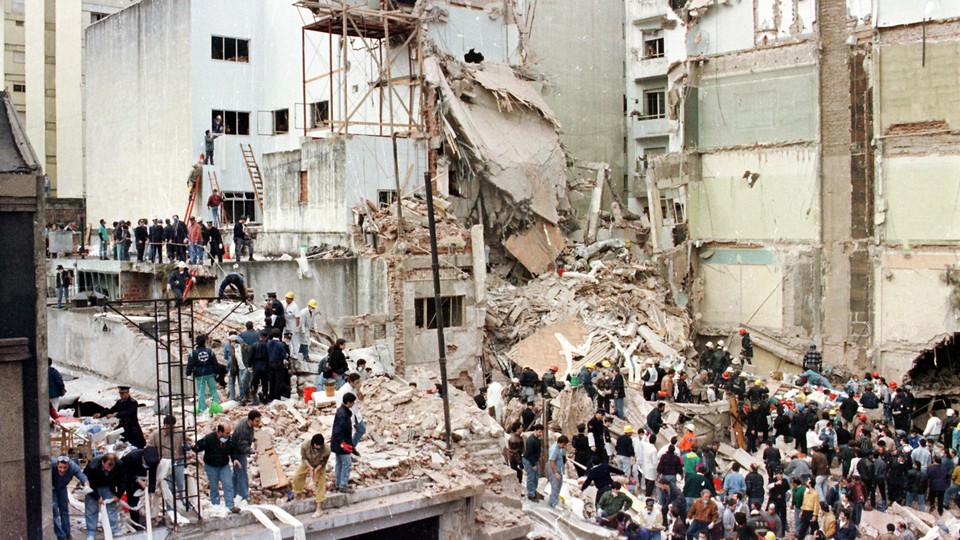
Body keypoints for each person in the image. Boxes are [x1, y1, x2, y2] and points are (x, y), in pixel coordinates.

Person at [193, 423, 241, 512]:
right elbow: (199, 446)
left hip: (223, 465)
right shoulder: (209, 438)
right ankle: (215, 505)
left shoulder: (228, 439)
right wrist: (194, 446)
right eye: (226, 433)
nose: (228, 435)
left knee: (228, 485)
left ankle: (230, 505)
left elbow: (232, 450)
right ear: (219, 432)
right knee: (214, 486)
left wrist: (235, 459)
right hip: (211, 466)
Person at [148, 414, 188, 511]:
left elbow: (186, 443)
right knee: (168, 487)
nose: (167, 429)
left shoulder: (179, 433)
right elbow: (150, 448)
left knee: (181, 484)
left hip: (178, 461)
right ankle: (170, 508)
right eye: (166, 427)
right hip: (164, 464)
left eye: (170, 427)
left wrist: (187, 446)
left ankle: (184, 504)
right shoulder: (156, 434)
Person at [83, 453, 123, 539]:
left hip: (108, 485)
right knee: (91, 509)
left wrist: (118, 495)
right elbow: (87, 483)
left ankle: (114, 530)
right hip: (94, 486)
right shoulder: (92, 467)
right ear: (102, 462)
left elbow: (122, 480)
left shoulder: (119, 465)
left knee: (111, 508)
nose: (108, 470)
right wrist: (96, 497)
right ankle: (91, 532)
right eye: (107, 467)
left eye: (111, 468)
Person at [119, 446, 160, 526]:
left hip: (141, 473)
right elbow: (126, 473)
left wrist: (151, 491)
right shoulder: (132, 457)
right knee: (132, 497)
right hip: (127, 474)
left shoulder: (153, 461)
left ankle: (145, 516)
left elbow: (152, 476)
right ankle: (135, 521)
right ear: (143, 457)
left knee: (142, 495)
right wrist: (137, 479)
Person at [293, 433, 331, 517]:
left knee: (320, 484)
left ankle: (319, 508)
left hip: (320, 465)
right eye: (316, 446)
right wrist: (310, 468)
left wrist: (316, 470)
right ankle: (298, 494)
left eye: (319, 446)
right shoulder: (305, 445)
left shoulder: (327, 449)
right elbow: (304, 458)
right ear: (312, 443)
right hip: (307, 463)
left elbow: (323, 461)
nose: (318, 447)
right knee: (297, 477)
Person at [52, 454, 89, 540]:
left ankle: (67, 533)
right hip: (51, 488)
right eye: (60, 467)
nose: (62, 470)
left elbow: (82, 476)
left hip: (62, 487)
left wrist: (86, 485)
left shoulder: (73, 467)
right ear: (57, 464)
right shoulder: (52, 464)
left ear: (68, 465)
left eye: (65, 468)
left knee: (64, 510)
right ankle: (61, 536)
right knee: (53, 509)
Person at [232, 409, 261, 501]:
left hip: (238, 449)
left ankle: (234, 494)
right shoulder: (243, 429)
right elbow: (242, 445)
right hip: (237, 451)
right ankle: (244, 496)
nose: (258, 423)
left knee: (237, 474)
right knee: (242, 473)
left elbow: (248, 436)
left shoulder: (247, 422)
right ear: (250, 420)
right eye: (256, 421)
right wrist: (252, 451)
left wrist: (253, 439)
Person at [186, 335, 220, 413]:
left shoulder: (193, 353)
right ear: (204, 342)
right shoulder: (210, 351)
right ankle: (216, 408)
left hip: (199, 375)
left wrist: (188, 374)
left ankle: (202, 409)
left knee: (201, 392)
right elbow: (215, 362)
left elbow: (190, 364)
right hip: (210, 373)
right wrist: (217, 372)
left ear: (196, 343)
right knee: (213, 390)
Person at [332, 392, 357, 493]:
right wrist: (343, 444)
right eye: (352, 402)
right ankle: (343, 485)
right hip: (342, 444)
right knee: (346, 463)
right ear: (348, 402)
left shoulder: (342, 411)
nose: (353, 404)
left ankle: (338, 484)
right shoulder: (343, 414)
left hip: (338, 444)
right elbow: (338, 431)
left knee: (339, 464)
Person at [523, 424, 544, 501]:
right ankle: (530, 494)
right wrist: (533, 464)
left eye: (542, 432)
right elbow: (529, 453)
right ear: (535, 430)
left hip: (534, 460)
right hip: (529, 460)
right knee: (531, 477)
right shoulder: (530, 440)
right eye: (539, 432)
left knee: (536, 476)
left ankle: (534, 490)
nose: (541, 434)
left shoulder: (537, 439)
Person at [547, 434, 568, 507]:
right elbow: (551, 461)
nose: (564, 446)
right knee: (555, 486)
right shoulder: (554, 449)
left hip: (559, 469)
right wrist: (555, 473)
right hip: (554, 470)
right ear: (560, 443)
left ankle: (554, 500)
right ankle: (553, 503)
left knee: (559, 485)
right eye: (564, 445)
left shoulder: (560, 448)